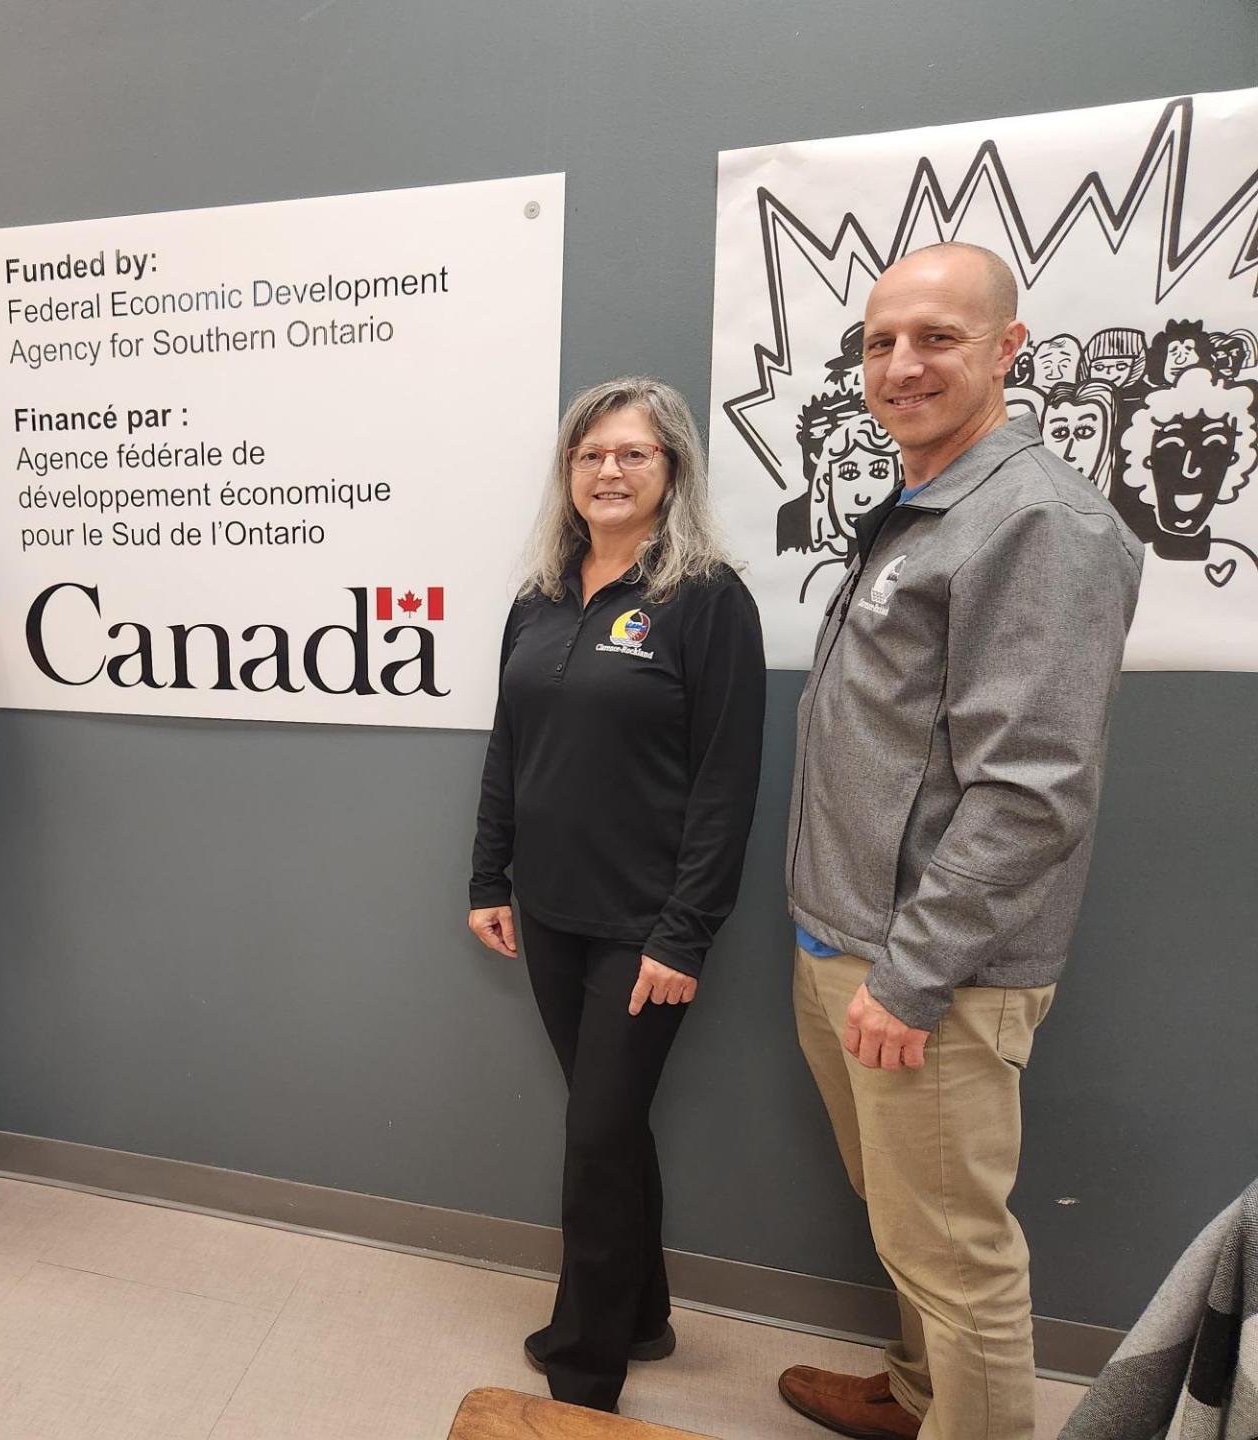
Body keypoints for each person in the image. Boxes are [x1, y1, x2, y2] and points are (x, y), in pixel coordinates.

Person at [781, 245, 1143, 1440]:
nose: (902, 364)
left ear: (1008, 347)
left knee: (959, 1256)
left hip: (926, 974)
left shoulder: (1037, 521)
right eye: (882, 341)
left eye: (937, 336)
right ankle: (922, 1396)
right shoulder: (929, 499)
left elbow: (1032, 790)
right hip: (850, 943)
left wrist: (912, 973)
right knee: (909, 1222)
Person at [469, 377, 766, 1415]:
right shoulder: (539, 600)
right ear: (569, 471)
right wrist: (486, 877)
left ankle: (585, 1369)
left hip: (648, 927)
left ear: (672, 468)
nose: (609, 471)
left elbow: (729, 783)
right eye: (592, 454)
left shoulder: (708, 598)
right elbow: (511, 747)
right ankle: (641, 1310)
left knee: (596, 1135)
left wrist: (686, 936)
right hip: (547, 914)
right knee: (613, 1125)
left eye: (633, 454)